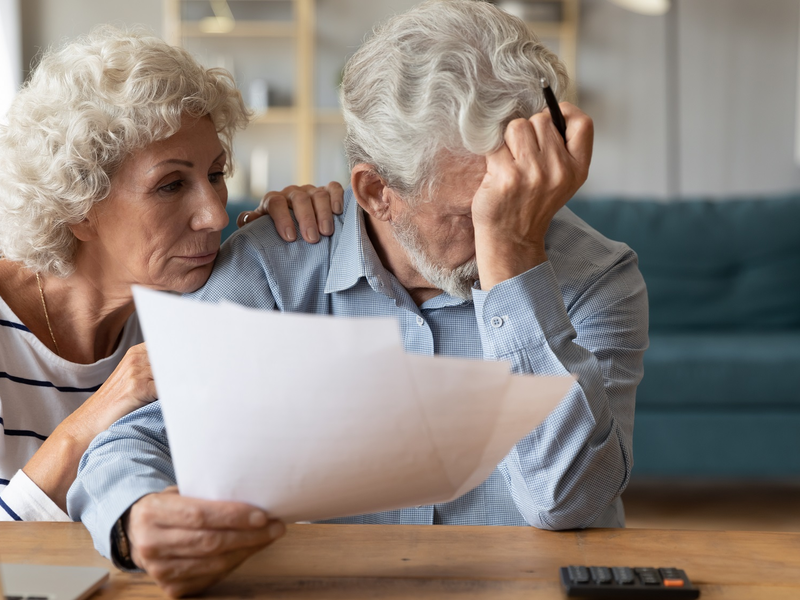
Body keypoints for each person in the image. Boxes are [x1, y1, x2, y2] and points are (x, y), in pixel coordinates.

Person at [69, 0, 649, 596]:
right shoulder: (271, 268)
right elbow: (137, 437)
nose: (498, 225)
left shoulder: (598, 276)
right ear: (377, 192)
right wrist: (137, 518)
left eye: (511, 196)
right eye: (468, 212)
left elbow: (569, 503)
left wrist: (516, 258)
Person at [0, 27, 338, 523]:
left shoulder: (189, 305)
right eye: (171, 184)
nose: (215, 216)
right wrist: (99, 411)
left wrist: (307, 233)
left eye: (216, 175)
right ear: (78, 207)